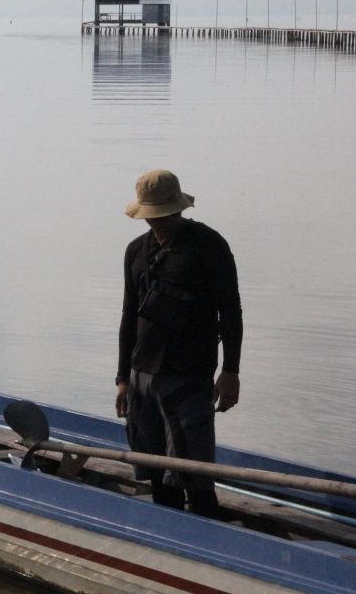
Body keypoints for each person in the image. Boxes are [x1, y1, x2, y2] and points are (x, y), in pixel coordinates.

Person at [115, 170, 242, 517]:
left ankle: (208, 540)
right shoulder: (136, 252)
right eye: (153, 216)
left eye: (165, 215)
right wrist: (122, 379)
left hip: (188, 375)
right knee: (156, 472)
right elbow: (129, 316)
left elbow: (230, 310)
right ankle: (168, 533)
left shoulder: (208, 246)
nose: (159, 223)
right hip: (142, 376)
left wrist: (230, 371)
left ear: (178, 209)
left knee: (195, 475)